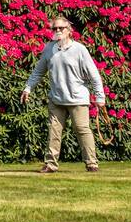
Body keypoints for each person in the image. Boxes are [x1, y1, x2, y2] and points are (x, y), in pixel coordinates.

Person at [21, 15, 105, 173]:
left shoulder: (80, 50)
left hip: (78, 99)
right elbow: (38, 72)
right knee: (54, 131)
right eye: (55, 28)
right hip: (56, 99)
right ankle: (50, 165)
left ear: (69, 30)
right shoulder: (49, 49)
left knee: (82, 129)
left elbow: (94, 75)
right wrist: (27, 88)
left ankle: (92, 164)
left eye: (61, 28)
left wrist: (100, 97)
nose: (58, 30)